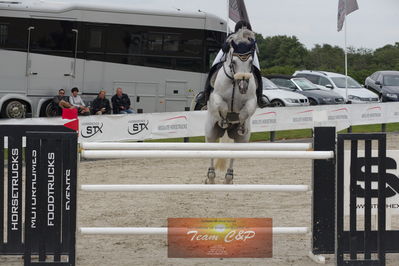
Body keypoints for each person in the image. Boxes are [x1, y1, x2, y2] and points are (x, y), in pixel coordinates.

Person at [200, 20, 269, 108]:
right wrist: (229, 44)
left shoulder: (251, 39)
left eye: (245, 29)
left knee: (258, 72)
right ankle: (205, 93)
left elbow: (253, 51)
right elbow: (224, 48)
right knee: (214, 67)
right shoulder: (231, 36)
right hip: (230, 57)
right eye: (241, 29)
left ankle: (260, 97)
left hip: (246, 60)